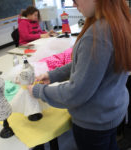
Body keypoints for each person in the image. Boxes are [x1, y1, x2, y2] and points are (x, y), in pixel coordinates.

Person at [28, 0, 131, 150]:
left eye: (76, 0)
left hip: (95, 121)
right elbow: (85, 64)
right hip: (112, 110)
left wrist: (38, 91)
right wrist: (53, 75)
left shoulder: (97, 35)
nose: (74, 5)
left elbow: (75, 93)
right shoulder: (119, 20)